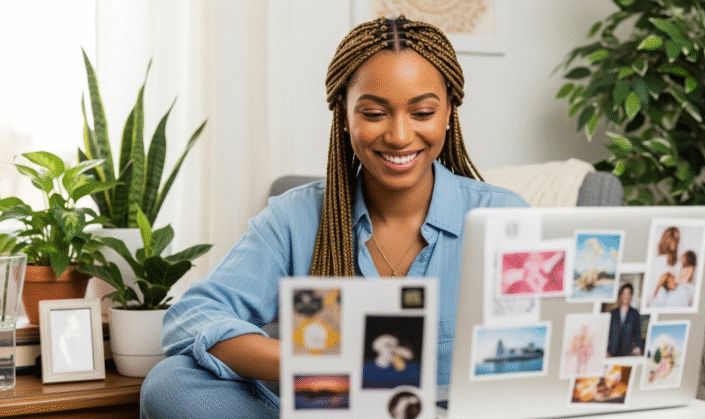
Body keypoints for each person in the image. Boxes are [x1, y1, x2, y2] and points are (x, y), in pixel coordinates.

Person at [140, 16, 527, 419]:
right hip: (333, 411)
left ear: (449, 111)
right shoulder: (295, 217)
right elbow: (190, 317)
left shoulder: (502, 218)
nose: (398, 135)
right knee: (172, 381)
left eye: (422, 112)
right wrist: (319, 365)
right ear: (344, 115)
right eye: (375, 113)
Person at [606, 283, 642, 357]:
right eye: (624, 294)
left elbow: (638, 333)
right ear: (620, 296)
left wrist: (638, 347)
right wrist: (606, 350)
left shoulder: (635, 314)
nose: (626, 296)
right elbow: (608, 333)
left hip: (628, 353)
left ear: (631, 296)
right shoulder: (613, 313)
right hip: (612, 352)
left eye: (628, 294)